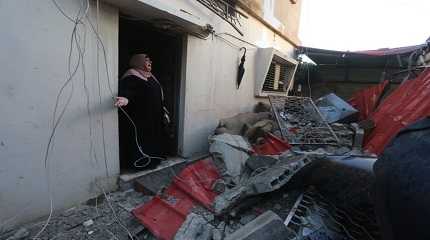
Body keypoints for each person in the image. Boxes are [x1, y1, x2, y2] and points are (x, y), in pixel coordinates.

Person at [115, 54, 166, 170]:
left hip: (154, 116)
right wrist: (125, 99)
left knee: (154, 138)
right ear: (138, 62)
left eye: (150, 60)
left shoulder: (151, 76)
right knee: (143, 140)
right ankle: (141, 165)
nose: (150, 62)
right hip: (140, 117)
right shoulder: (131, 75)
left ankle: (154, 160)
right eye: (147, 60)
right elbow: (128, 91)